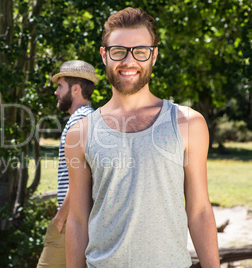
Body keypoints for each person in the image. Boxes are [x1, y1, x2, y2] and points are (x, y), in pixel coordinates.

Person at [65, 7, 220, 268]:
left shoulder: (188, 123)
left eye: (140, 51)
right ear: (104, 55)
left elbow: (200, 210)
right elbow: (78, 219)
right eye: (118, 51)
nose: (129, 61)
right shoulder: (80, 133)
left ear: (154, 55)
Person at [37, 60, 99, 268]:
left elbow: (82, 179)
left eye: (59, 86)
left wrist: (60, 219)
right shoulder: (89, 119)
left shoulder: (79, 122)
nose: (55, 92)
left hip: (72, 221)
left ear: (75, 89)